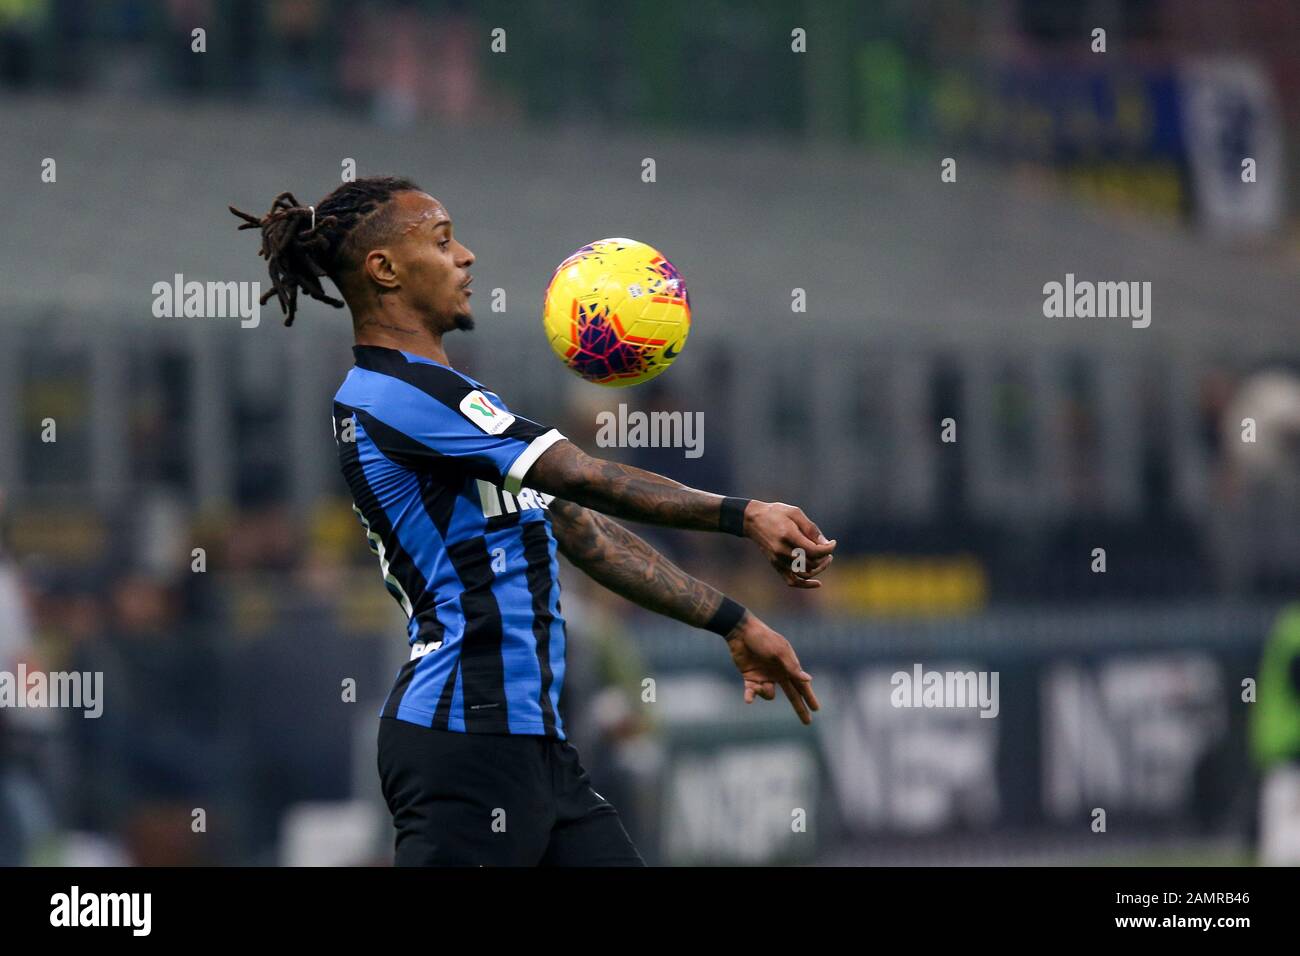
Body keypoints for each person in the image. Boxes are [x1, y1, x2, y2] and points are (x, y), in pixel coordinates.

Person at [231, 177, 836, 866]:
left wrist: (734, 622)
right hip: (465, 744)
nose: (467, 257)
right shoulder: (395, 396)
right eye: (442, 240)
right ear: (385, 269)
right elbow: (578, 473)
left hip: (536, 746)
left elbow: (584, 530)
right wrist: (743, 514)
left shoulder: (453, 400)